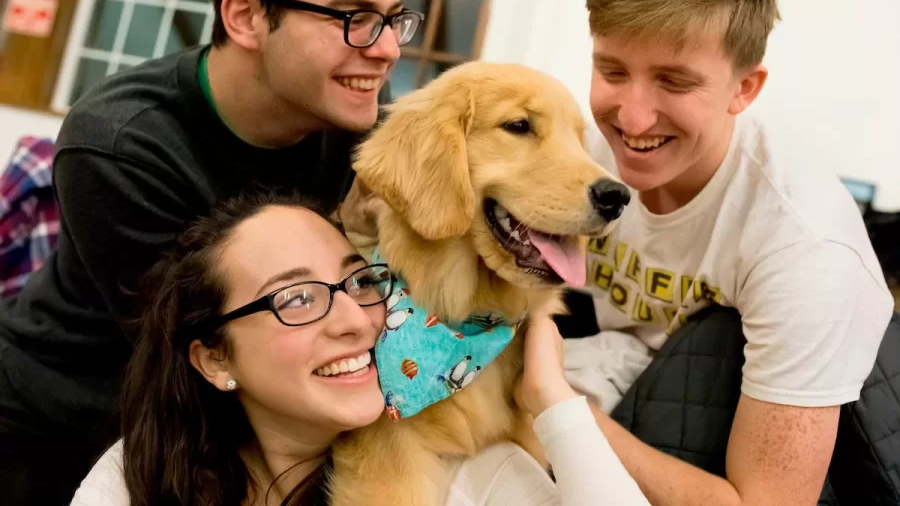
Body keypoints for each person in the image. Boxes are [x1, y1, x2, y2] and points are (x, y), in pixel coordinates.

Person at [0, 0, 421, 504]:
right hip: (61, 425)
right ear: (246, 16)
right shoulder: (120, 143)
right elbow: (202, 346)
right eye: (352, 18)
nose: (385, 51)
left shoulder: (360, 132)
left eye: (392, 20)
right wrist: (344, 231)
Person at [562, 0, 895, 505]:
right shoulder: (584, 157)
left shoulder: (805, 250)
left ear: (745, 88)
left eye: (675, 82)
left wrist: (558, 412)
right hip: (631, 393)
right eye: (613, 71)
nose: (632, 120)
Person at [69, 191, 650, 506]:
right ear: (215, 358)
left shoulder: (468, 478)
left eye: (362, 280)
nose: (353, 319)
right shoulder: (141, 473)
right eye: (295, 298)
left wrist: (550, 396)